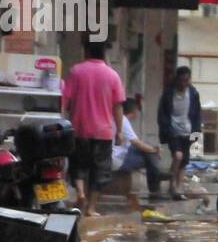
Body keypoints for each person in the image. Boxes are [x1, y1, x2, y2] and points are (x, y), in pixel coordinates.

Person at [63, 40, 124, 217]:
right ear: (104, 53)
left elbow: (65, 100)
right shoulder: (112, 75)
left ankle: (80, 193)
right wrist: (119, 131)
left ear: (87, 51)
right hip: (103, 131)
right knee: (100, 170)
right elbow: (118, 106)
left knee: (79, 164)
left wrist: (62, 121)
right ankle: (91, 208)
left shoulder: (76, 71)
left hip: (80, 128)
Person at [110, 98, 163, 210]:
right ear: (134, 112)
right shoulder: (122, 120)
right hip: (118, 160)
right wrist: (154, 150)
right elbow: (136, 142)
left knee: (147, 151)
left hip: (116, 155)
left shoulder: (112, 117)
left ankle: (156, 174)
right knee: (149, 155)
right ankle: (155, 188)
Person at [158, 66, 201, 201]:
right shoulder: (169, 93)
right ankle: (171, 183)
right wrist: (166, 130)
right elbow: (162, 114)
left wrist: (196, 135)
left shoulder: (193, 93)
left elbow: (197, 115)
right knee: (178, 156)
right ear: (177, 79)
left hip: (188, 131)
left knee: (184, 162)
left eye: (186, 80)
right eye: (181, 80)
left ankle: (178, 188)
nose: (183, 83)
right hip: (173, 131)